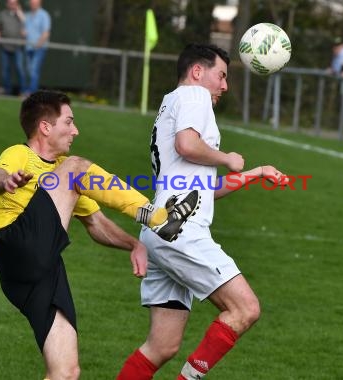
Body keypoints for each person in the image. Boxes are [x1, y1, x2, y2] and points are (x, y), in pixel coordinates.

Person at [0, 90, 199, 379]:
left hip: (42, 269)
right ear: (45, 127)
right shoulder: (19, 154)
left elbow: (96, 224)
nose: (76, 130)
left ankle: (155, 223)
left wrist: (133, 243)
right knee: (76, 166)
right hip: (14, 245)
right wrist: (7, 180)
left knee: (66, 371)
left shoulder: (66, 185)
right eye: (69, 122)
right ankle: (157, 218)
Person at [117, 43, 289, 380]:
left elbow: (202, 189)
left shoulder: (171, 103)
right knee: (245, 308)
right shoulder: (193, 97)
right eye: (221, 76)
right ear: (198, 72)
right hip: (179, 227)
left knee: (162, 346)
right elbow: (187, 145)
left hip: (160, 227)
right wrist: (225, 157)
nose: (225, 86)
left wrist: (253, 174)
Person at [0, 0, 25, 95]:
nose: (12, 5)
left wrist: (20, 14)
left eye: (14, 3)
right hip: (5, 46)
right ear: (7, 4)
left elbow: (26, 25)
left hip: (18, 47)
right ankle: (7, 91)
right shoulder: (2, 14)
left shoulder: (21, 15)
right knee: (5, 70)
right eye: (10, 3)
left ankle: (23, 91)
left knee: (19, 68)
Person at [24, 0, 50, 94]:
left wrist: (39, 44)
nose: (33, 4)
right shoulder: (27, 15)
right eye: (32, 3)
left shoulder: (44, 15)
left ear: (39, 3)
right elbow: (25, 30)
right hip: (28, 48)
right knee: (29, 70)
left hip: (39, 48)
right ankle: (29, 90)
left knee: (34, 70)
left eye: (35, 3)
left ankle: (32, 92)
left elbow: (46, 33)